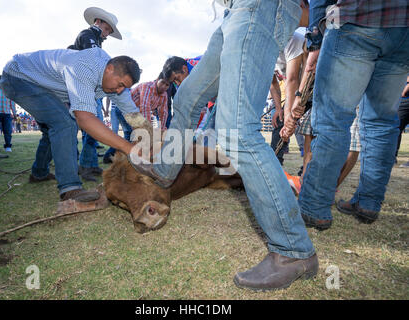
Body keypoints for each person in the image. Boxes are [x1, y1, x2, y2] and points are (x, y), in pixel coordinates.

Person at [129, 0, 317, 292]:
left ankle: (293, 250)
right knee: (187, 98)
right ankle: (165, 169)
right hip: (235, 12)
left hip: (260, 7)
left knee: (238, 132)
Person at [282, 0, 409, 229]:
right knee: (381, 120)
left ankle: (314, 206)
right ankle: (368, 202)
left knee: (333, 119)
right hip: (403, 27)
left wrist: (316, 38)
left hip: (356, 19)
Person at [0, 48, 141, 202]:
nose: (120, 91)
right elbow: (85, 119)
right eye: (120, 84)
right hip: (19, 76)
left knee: (54, 126)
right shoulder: (84, 67)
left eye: (124, 88)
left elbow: (134, 114)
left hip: (45, 86)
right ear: (109, 69)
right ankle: (70, 188)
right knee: (65, 124)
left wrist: (147, 138)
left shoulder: (113, 78)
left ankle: (39, 173)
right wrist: (128, 148)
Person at [69, 7, 124, 182]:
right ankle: (86, 165)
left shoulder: (94, 39)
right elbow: (94, 62)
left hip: (88, 90)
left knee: (91, 131)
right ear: (97, 22)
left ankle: (89, 164)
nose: (107, 34)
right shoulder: (87, 35)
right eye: (106, 29)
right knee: (92, 129)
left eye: (109, 31)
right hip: (84, 90)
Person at [270, 30, 307, 165]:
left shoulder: (292, 39)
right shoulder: (262, 50)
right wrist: (279, 109)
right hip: (295, 90)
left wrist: (288, 115)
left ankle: (307, 172)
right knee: (279, 122)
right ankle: (275, 165)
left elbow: (292, 79)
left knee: (311, 128)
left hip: (311, 85)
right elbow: (273, 83)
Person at [0, 76, 17, 152]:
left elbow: (12, 103)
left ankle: (8, 146)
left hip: (7, 114)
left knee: (8, 131)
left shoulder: (9, 91)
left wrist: (14, 114)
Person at [395, 76, 409, 167]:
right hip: (403, 101)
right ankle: (392, 157)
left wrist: (404, 90)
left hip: (404, 99)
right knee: (396, 129)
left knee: (396, 128)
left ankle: (392, 158)